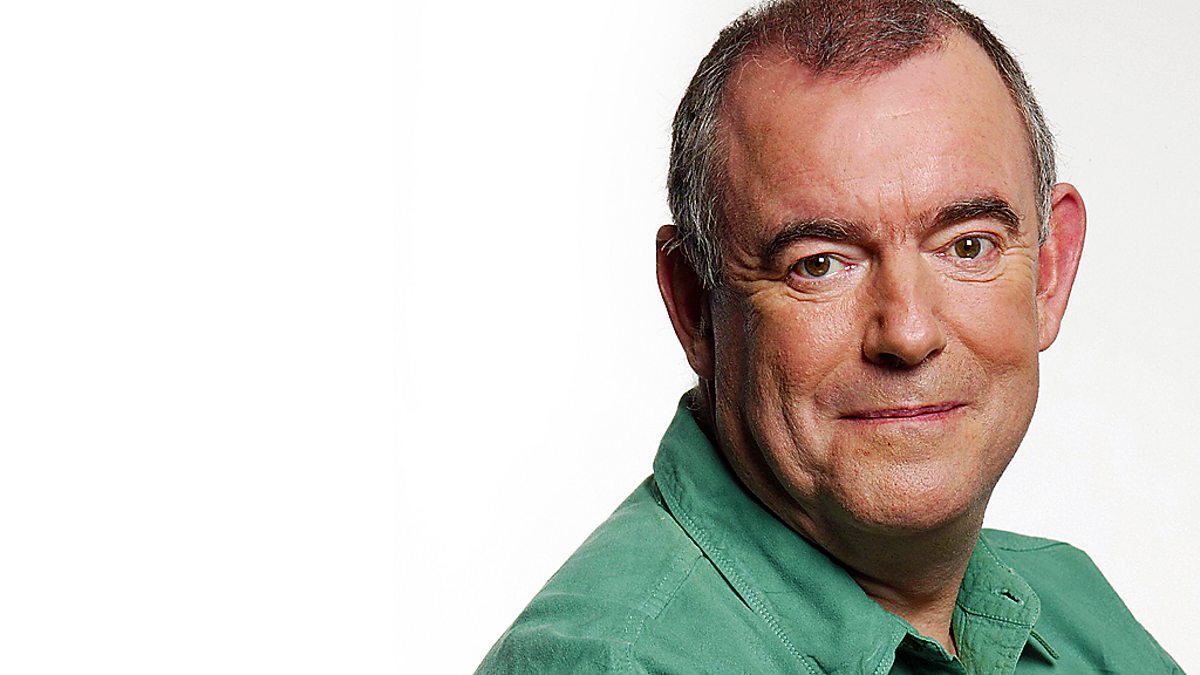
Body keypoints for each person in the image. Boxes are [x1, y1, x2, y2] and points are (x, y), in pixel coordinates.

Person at [476, 1, 1182, 672]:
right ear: (696, 307)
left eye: (968, 246)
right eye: (818, 264)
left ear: (1049, 274)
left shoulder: (1077, 610)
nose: (908, 332)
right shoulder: (617, 663)